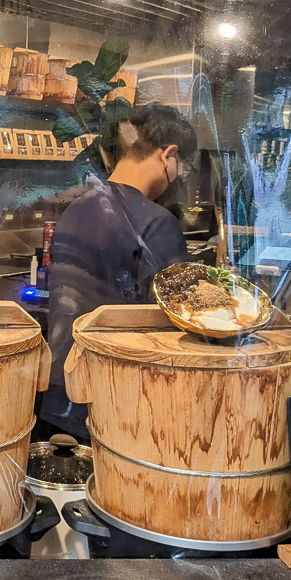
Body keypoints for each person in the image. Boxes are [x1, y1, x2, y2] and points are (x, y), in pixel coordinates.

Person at [42, 103, 196, 437]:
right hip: (117, 401)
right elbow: (181, 323)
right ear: (168, 155)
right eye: (181, 164)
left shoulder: (75, 209)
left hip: (60, 390)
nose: (179, 175)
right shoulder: (157, 223)